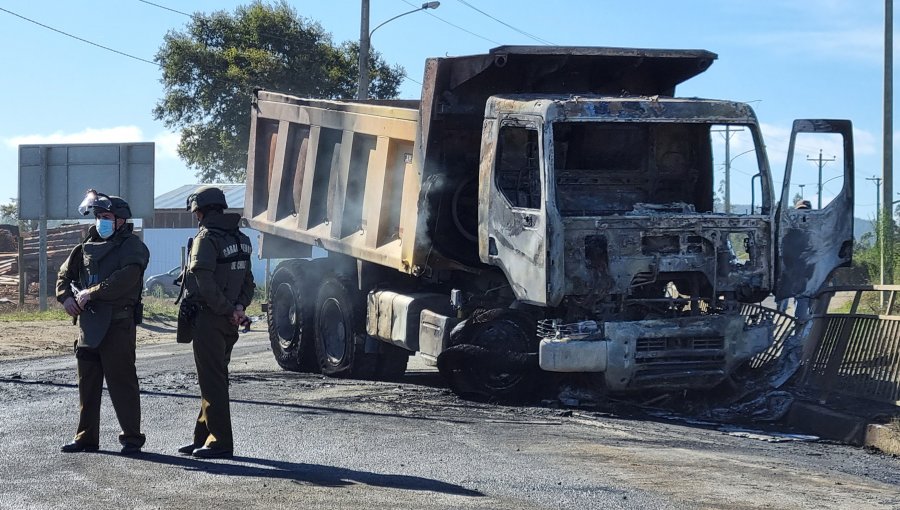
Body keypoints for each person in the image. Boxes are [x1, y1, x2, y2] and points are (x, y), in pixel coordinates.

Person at [55, 190, 149, 455]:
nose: (100, 221)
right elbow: (64, 275)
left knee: (122, 383)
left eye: (106, 216)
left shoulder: (132, 246)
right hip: (89, 326)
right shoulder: (86, 245)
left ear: (120, 220)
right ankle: (86, 437)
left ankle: (131, 438)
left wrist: (91, 293)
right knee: (88, 384)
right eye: (98, 216)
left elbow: (126, 279)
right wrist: (65, 299)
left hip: (118, 325)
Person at [176, 186, 255, 459]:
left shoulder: (206, 239)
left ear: (200, 211)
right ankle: (203, 437)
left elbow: (203, 283)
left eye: (195, 211)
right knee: (214, 379)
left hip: (210, 319)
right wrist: (238, 308)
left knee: (213, 382)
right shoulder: (242, 239)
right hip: (229, 320)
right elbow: (248, 282)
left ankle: (220, 442)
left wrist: (225, 310)